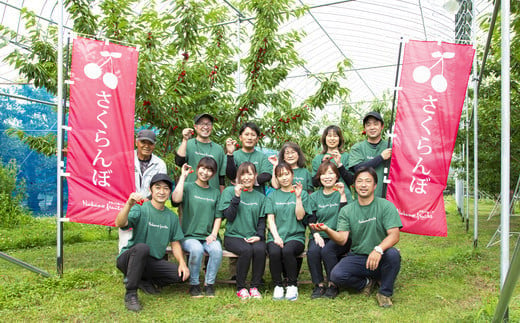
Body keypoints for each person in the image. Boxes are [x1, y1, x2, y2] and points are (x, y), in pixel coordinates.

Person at [311, 166, 402, 307]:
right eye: (359, 181)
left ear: (375, 185)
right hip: (358, 256)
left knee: (393, 255)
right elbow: (342, 239)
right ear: (354, 186)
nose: (363, 185)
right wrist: (327, 229)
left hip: (380, 255)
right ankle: (365, 283)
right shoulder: (347, 210)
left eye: (368, 181)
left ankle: (384, 293)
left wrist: (378, 249)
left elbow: (394, 235)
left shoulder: (386, 206)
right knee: (336, 276)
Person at [115, 173, 189, 312]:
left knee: (180, 275)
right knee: (142, 248)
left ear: (169, 192)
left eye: (166, 188)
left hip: (151, 262)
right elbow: (120, 223)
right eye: (158, 187)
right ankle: (131, 293)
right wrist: (129, 204)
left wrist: (182, 264)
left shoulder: (171, 217)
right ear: (151, 190)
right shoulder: (141, 208)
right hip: (129, 258)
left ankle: (144, 281)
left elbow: (175, 242)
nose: (161, 191)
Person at [171, 157, 223, 298]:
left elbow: (218, 216)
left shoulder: (215, 192)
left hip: (208, 236)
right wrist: (183, 176)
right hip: (189, 236)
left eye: (210, 170)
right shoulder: (188, 187)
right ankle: (194, 284)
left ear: (213, 174)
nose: (205, 172)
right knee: (196, 249)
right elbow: (175, 199)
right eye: (203, 168)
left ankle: (209, 284)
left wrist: (213, 234)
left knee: (217, 250)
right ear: (198, 168)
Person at [219, 162, 267, 300]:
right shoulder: (229, 191)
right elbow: (228, 216)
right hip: (233, 236)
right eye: (243, 174)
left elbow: (261, 221)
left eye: (250, 174)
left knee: (260, 249)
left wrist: (259, 236)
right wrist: (237, 197)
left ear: (255, 176)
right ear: (238, 176)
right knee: (246, 250)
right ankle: (240, 287)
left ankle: (254, 286)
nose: (246, 177)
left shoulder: (260, 197)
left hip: (253, 236)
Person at [265, 162, 312, 301]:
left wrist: (298, 198)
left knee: (287, 251)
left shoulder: (302, 194)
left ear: (292, 175)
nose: (284, 178)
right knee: (274, 251)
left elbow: (300, 216)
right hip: (276, 235)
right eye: (280, 175)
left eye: (287, 174)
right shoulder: (272, 196)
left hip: (295, 237)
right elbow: (271, 220)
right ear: (277, 179)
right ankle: (278, 286)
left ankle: (292, 285)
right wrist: (276, 237)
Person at [307, 161, 351, 299]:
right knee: (313, 251)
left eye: (331, 173)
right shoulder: (314, 196)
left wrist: (343, 195)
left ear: (337, 176)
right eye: (323, 173)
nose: (327, 176)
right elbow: (311, 219)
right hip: (320, 234)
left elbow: (345, 216)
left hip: (339, 235)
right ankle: (319, 285)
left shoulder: (344, 193)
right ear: (319, 177)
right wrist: (316, 235)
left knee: (327, 250)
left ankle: (333, 284)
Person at [119, 129, 168, 253]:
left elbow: (161, 186)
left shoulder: (159, 164)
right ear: (137, 142)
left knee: (148, 243)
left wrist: (150, 199)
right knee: (126, 241)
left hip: (149, 208)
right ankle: (127, 269)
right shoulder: (126, 159)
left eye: (150, 143)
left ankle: (146, 270)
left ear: (154, 146)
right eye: (143, 142)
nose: (146, 146)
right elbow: (118, 181)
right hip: (128, 206)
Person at [175, 113, 226, 192]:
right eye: (202, 124)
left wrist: (222, 198)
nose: (205, 127)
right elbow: (179, 162)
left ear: (212, 127)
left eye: (208, 124)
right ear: (195, 127)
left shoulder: (219, 149)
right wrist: (184, 140)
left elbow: (221, 177)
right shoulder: (188, 144)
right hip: (189, 193)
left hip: (212, 196)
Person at [348, 111, 392, 198]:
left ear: (382, 126)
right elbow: (358, 169)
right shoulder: (358, 148)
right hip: (363, 200)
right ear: (364, 128)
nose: (372, 127)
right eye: (368, 125)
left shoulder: (390, 146)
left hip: (386, 199)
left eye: (375, 124)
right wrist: (381, 157)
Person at [225, 122, 272, 194]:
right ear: (240, 137)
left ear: (257, 139)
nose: (249, 138)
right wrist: (230, 154)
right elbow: (231, 175)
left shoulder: (262, 157)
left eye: (253, 135)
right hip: (237, 197)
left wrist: (246, 181)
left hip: (257, 198)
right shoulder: (233, 155)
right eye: (246, 134)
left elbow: (267, 175)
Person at [311, 125, 354, 202]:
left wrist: (340, 164)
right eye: (329, 136)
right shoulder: (318, 159)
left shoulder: (346, 156)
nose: (332, 138)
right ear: (325, 138)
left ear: (340, 139)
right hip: (324, 200)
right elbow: (315, 183)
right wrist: (322, 165)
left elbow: (351, 181)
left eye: (335, 136)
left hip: (343, 197)